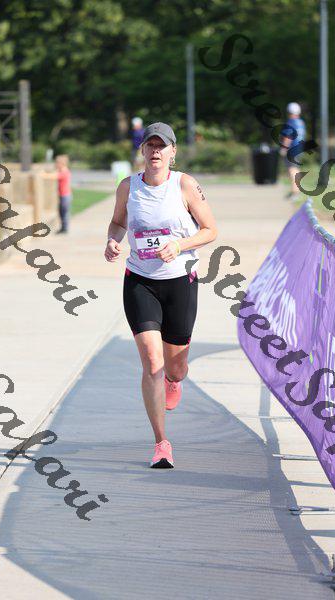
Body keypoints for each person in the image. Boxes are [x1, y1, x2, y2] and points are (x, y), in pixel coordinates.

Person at [105, 122, 218, 468]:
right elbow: (118, 222)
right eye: (150, 145)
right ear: (142, 150)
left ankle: (174, 379)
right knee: (152, 362)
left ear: (172, 151)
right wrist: (112, 240)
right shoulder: (128, 187)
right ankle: (161, 443)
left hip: (180, 281)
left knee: (176, 366)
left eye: (161, 146)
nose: (155, 151)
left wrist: (179, 245)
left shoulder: (184, 185)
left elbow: (211, 230)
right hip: (140, 281)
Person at [280, 102, 306, 201]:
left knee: (292, 169)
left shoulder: (291, 122)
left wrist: (284, 148)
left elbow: (288, 136)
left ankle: (295, 192)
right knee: (295, 169)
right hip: (300, 147)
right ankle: (295, 191)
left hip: (293, 149)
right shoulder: (301, 122)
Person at [42, 154, 72, 233]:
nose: (55, 164)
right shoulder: (62, 171)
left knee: (64, 212)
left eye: (57, 163)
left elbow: (53, 176)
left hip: (65, 196)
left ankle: (64, 229)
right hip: (64, 195)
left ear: (62, 163)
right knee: (62, 212)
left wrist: (43, 175)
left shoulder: (64, 172)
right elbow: (53, 172)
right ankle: (63, 228)